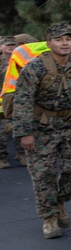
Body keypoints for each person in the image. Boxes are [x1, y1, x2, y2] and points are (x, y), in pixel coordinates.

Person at [12, 23, 71, 239]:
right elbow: (23, 101)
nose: (65, 43)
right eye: (59, 39)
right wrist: (24, 133)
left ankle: (59, 201)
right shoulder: (35, 68)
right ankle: (49, 217)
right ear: (49, 43)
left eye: (68, 39)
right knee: (43, 174)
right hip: (41, 127)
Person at [0, 36, 18, 168]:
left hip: (18, 102)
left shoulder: (21, 62)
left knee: (21, 128)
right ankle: (2, 157)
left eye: (13, 45)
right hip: (2, 103)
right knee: (2, 132)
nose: (11, 47)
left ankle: (22, 154)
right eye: (8, 45)